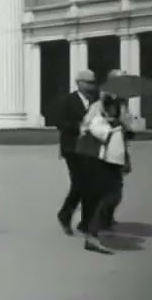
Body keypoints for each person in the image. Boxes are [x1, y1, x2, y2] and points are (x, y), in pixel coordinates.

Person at [83, 96, 130, 255]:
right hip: (102, 164)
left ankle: (95, 229)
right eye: (111, 107)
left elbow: (123, 143)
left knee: (114, 196)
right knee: (107, 197)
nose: (114, 111)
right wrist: (115, 126)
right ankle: (92, 233)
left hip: (115, 164)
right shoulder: (99, 121)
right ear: (105, 108)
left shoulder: (117, 124)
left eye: (116, 108)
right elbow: (101, 134)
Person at [55, 69, 99, 235]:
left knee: (91, 184)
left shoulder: (96, 101)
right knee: (80, 183)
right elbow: (60, 122)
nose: (91, 86)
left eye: (93, 83)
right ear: (79, 83)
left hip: (91, 148)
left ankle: (86, 222)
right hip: (72, 148)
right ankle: (65, 214)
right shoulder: (68, 100)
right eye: (88, 83)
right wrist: (79, 126)